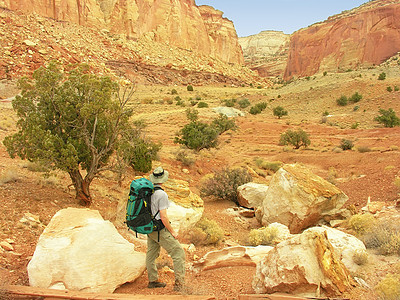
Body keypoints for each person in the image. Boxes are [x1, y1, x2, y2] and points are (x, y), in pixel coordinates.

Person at [146, 166, 186, 291]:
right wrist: (172, 231)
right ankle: (180, 284)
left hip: (149, 227)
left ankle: (152, 280)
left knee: (151, 253)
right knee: (178, 252)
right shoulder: (161, 194)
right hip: (158, 229)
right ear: (163, 179)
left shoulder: (148, 191)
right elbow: (163, 216)